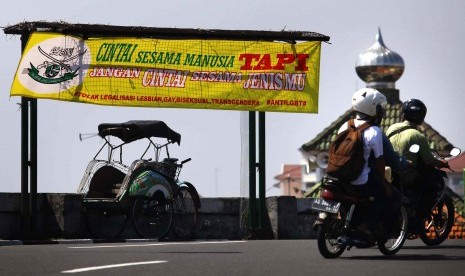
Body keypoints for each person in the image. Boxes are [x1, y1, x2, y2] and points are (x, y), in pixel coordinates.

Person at [386, 98, 448, 230]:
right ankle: (417, 219)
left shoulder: (391, 128)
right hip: (407, 175)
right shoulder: (418, 136)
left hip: (390, 172)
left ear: (404, 113)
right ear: (421, 117)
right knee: (431, 189)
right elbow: (429, 160)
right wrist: (442, 163)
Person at [339, 88, 391, 239]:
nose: (381, 111)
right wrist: (385, 183)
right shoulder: (374, 132)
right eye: (379, 108)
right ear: (372, 108)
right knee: (384, 194)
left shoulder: (345, 125)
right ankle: (366, 226)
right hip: (359, 181)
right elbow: (380, 162)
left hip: (339, 177)